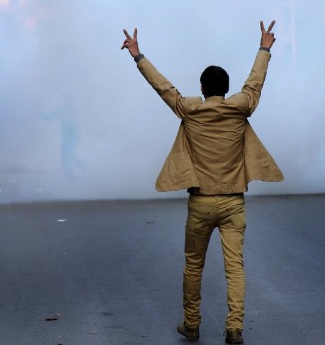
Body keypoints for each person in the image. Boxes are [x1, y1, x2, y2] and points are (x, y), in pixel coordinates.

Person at [121, 21, 283, 344]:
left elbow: (163, 87)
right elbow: (255, 84)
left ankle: (192, 325)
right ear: (226, 89)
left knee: (193, 266)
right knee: (234, 268)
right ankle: (234, 327)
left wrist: (138, 56)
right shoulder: (240, 108)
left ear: (202, 88)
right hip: (234, 202)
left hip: (200, 203)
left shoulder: (189, 110)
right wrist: (264, 48)